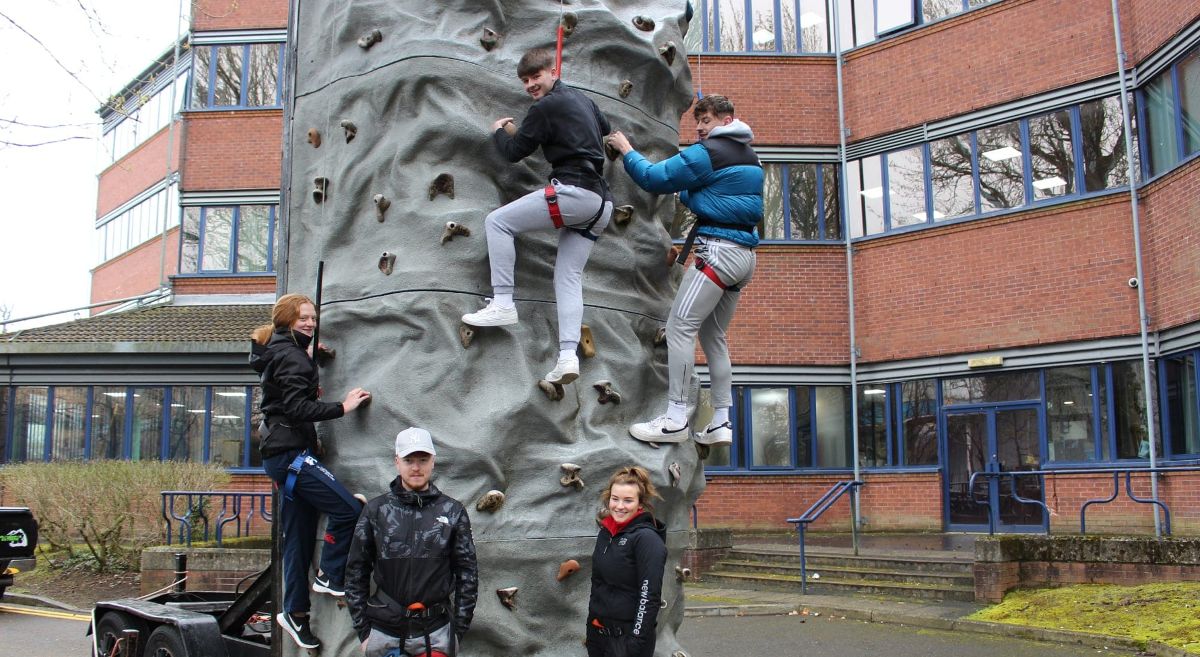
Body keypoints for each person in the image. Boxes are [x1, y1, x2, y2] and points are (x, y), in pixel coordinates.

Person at [607, 95, 763, 446]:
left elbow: (654, 177)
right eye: (698, 121)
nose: (700, 127)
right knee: (714, 337)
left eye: (706, 119)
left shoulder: (709, 152)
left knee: (679, 328)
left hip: (717, 253)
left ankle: (675, 418)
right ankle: (721, 422)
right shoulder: (750, 157)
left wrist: (625, 147)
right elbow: (720, 197)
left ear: (727, 119)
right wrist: (695, 196)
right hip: (744, 258)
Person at [461, 47, 614, 386]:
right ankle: (567, 357)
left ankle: (502, 301)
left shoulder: (544, 107)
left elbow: (516, 152)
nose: (531, 85)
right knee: (568, 278)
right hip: (601, 204)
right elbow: (603, 126)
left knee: (497, 222)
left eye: (536, 77)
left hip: (574, 192)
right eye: (526, 80)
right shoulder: (583, 101)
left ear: (552, 71)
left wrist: (500, 129)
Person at [250, 293, 373, 650]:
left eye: (313, 318)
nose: (310, 323)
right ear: (287, 320)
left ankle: (293, 612)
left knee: (299, 537)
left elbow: (285, 398)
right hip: (290, 454)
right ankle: (330, 575)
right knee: (349, 508)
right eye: (303, 317)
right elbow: (297, 407)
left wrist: (308, 359)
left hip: (281, 453)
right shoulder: (291, 357)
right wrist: (343, 407)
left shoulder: (280, 351)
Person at [345, 428, 479, 657]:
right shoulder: (376, 510)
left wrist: (458, 632)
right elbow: (355, 571)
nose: (416, 467)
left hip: (437, 632)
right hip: (384, 633)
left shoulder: (453, 511)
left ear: (433, 462)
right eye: (409, 460)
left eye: (423, 459)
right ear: (397, 462)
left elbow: (467, 574)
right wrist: (364, 632)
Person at [587, 466, 668, 657]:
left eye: (628, 500)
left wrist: (636, 642)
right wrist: (591, 629)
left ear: (640, 503)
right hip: (598, 636)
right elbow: (597, 584)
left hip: (628, 641)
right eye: (615, 499)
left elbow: (649, 596)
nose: (619, 506)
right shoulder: (606, 534)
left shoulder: (647, 539)